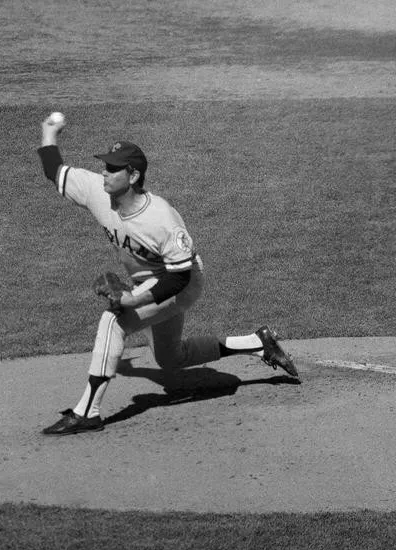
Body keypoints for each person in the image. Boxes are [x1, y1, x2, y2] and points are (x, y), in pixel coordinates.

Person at [36, 112, 299, 436]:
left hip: (181, 282)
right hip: (150, 281)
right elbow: (55, 171)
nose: (104, 173)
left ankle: (87, 411)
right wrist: (49, 132)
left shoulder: (161, 218)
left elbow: (178, 278)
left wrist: (133, 299)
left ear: (132, 176)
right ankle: (258, 343)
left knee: (114, 321)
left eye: (113, 168)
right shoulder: (96, 191)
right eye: (105, 165)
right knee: (170, 359)